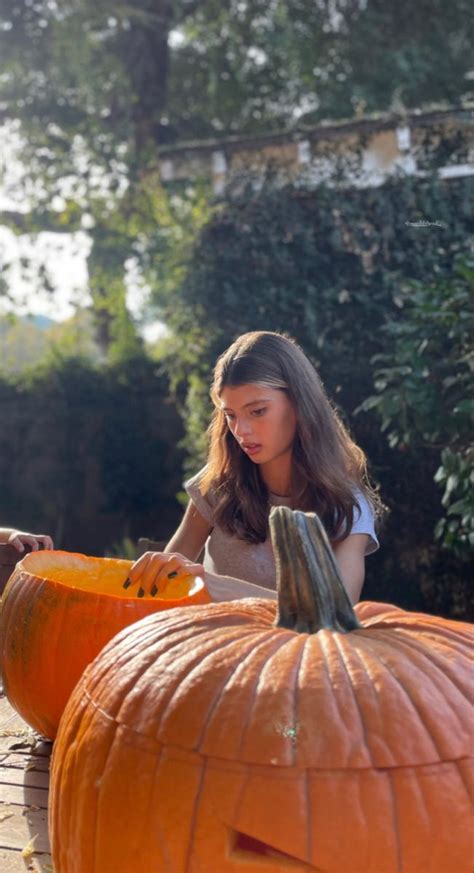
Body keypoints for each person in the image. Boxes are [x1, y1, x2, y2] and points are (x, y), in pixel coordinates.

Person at [125, 331, 384, 605]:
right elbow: (159, 593)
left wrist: (223, 590)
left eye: (257, 411)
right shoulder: (218, 483)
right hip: (208, 645)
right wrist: (162, 569)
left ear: (299, 404)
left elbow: (335, 614)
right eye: (231, 415)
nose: (240, 430)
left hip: (294, 649)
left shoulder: (348, 504)